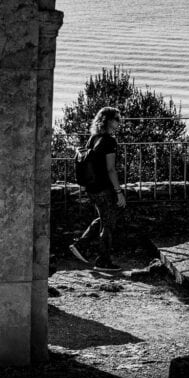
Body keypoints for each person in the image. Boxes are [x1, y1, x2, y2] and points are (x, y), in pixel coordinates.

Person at [68, 106, 126, 271]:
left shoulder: (93, 138)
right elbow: (110, 170)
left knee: (105, 218)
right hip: (104, 188)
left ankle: (80, 245)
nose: (119, 122)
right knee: (108, 224)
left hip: (92, 188)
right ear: (107, 120)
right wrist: (119, 192)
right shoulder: (109, 140)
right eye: (117, 119)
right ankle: (103, 261)